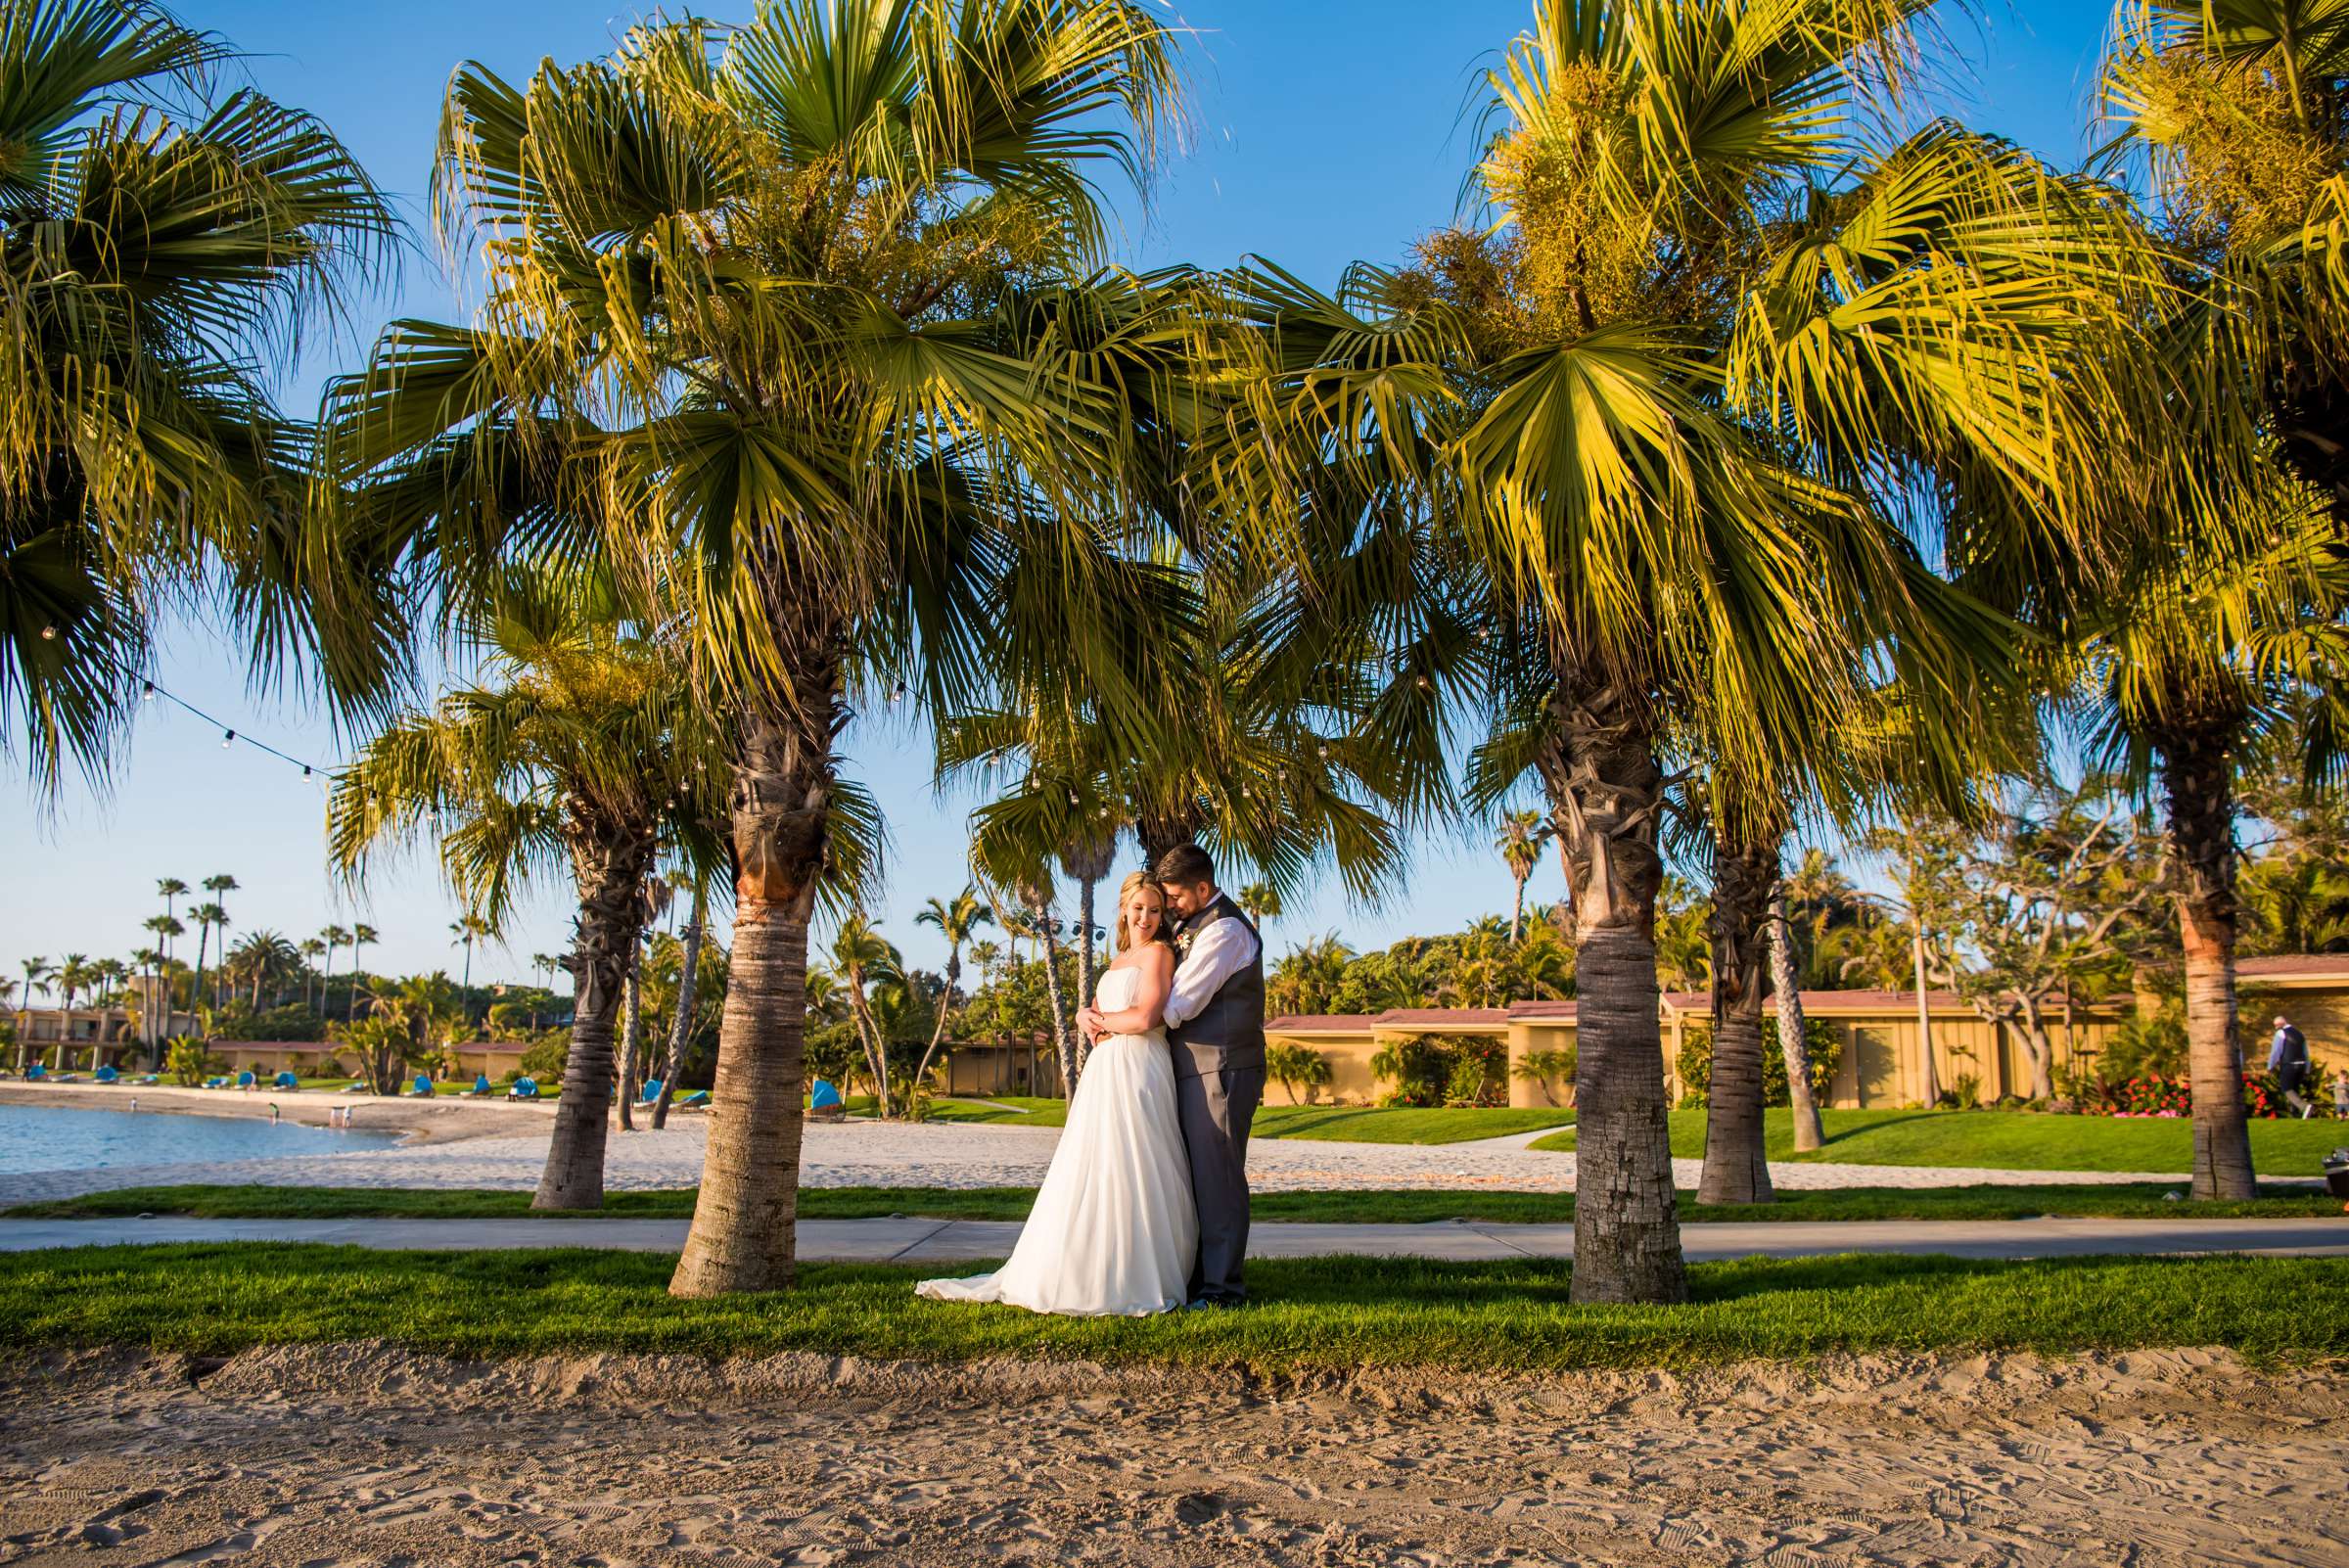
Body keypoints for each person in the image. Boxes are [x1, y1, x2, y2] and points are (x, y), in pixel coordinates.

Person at [917, 872, 1197, 1315]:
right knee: (1093, 1163)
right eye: (1139, 908)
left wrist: (1101, 1023)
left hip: (1139, 1066)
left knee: (1137, 1161)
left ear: (1163, 915)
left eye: (1155, 910)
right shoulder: (1121, 956)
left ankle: (1134, 1272)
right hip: (1106, 1069)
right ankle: (1083, 1266)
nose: (1146, 917)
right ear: (1124, 909)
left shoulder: (1160, 953)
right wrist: (1089, 1018)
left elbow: (1146, 1017)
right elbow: (1113, 1013)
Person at [1081, 843, 1267, 1310]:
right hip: (1186, 1068)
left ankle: (1223, 1290)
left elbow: (1178, 1007)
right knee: (1192, 1176)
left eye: (1176, 898)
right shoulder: (1190, 927)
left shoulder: (1224, 930)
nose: (1169, 910)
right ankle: (1197, 1276)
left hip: (1219, 1067)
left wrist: (1115, 1018)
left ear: (1203, 888)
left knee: (1219, 1176)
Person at [2271, 1015, 2315, 1119]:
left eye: (2276, 1026)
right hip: (2301, 1066)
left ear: (2279, 1025)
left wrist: (2270, 1066)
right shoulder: (2300, 1033)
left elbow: (2276, 1051)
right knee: (2295, 1089)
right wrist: (2307, 1068)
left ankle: (2305, 1106)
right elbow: (2306, 1052)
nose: (2276, 1028)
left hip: (2289, 1065)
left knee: (2286, 1087)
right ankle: (2295, 1114)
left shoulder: (2281, 1033)